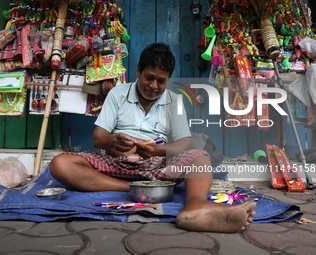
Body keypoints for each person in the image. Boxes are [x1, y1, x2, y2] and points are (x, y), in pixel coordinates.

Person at [50, 43, 256, 232]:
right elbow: (98, 138)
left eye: (161, 81)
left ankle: (195, 207)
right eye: (149, 77)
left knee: (200, 156)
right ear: (138, 70)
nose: (154, 86)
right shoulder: (117, 94)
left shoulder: (174, 100)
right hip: (118, 165)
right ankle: (138, 188)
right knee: (61, 163)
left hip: (160, 165)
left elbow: (184, 142)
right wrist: (114, 141)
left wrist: (160, 150)